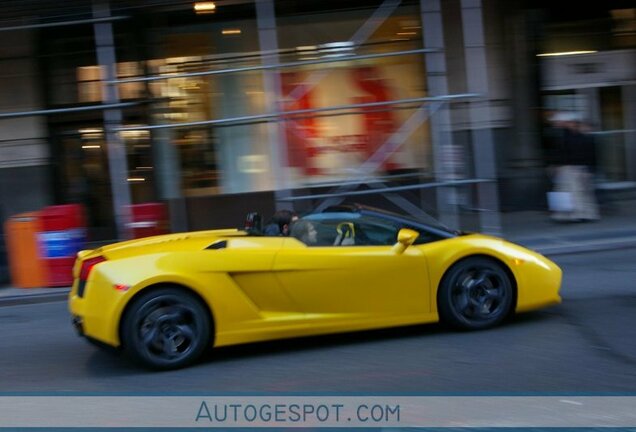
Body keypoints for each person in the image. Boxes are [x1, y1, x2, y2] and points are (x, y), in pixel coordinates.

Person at [544, 111, 599, 222]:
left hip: (570, 167)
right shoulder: (579, 136)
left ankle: (574, 214)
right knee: (579, 192)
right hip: (578, 166)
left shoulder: (565, 136)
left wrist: (555, 164)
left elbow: (562, 152)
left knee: (572, 191)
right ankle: (585, 214)